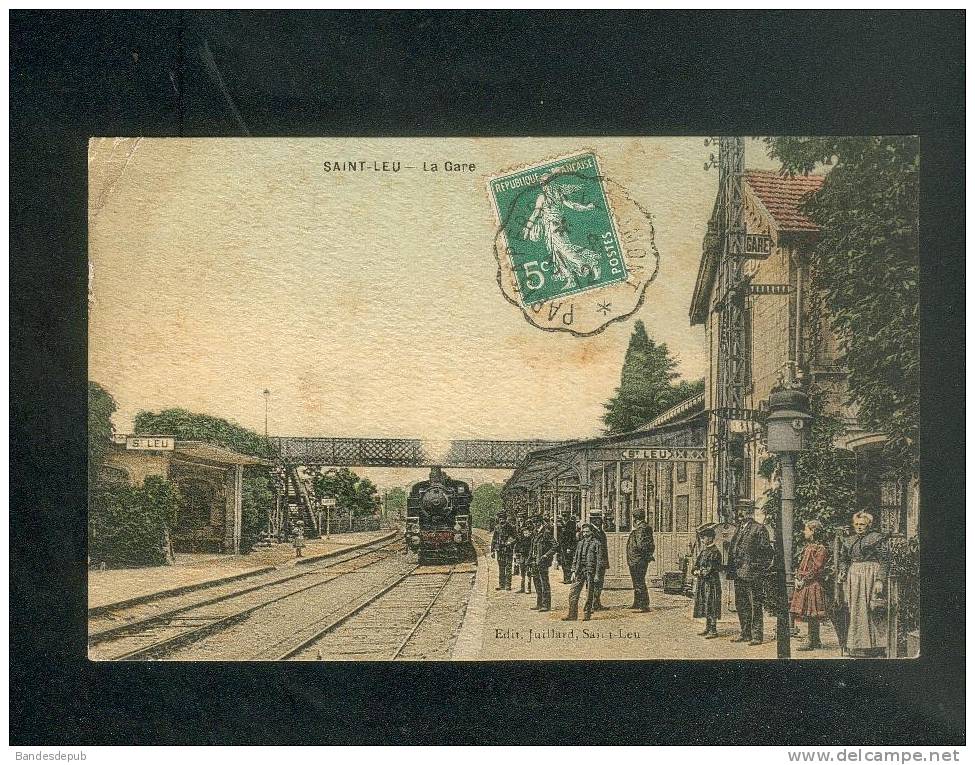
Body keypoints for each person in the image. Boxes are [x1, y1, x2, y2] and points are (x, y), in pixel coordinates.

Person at [838, 511, 889, 657]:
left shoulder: (876, 538)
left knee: (873, 608)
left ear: (869, 525)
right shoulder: (849, 540)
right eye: (857, 524)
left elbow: (885, 560)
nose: (859, 527)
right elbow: (844, 559)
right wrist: (843, 571)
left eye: (862, 524)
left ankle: (877, 646)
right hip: (854, 576)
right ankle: (858, 646)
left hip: (871, 574)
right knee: (856, 609)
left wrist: (880, 579)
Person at [727, 504, 773, 646]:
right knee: (741, 605)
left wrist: (757, 567)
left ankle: (757, 635)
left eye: (744, 510)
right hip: (738, 573)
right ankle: (745, 633)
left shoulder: (759, 529)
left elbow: (768, 553)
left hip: (753, 575)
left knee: (755, 605)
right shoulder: (739, 528)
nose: (740, 513)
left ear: (750, 512)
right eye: (739, 510)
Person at [790, 520, 831, 651]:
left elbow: (817, 568)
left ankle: (811, 639)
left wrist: (804, 580)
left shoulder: (821, 549)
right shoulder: (807, 547)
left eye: (806, 529)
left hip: (812, 583)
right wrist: (797, 577)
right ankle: (815, 640)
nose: (804, 532)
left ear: (813, 531)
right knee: (809, 613)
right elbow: (801, 564)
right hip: (804, 582)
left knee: (812, 613)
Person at [563, 524, 604, 621]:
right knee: (573, 592)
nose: (585, 534)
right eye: (583, 532)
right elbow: (575, 558)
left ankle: (587, 614)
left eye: (587, 532)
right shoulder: (580, 543)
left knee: (589, 593)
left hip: (591, 571)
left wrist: (597, 575)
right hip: (579, 570)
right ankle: (572, 615)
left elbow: (599, 561)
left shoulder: (597, 543)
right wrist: (573, 570)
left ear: (591, 532)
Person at [692, 526, 722, 638]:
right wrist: (696, 570)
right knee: (705, 603)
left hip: (712, 583)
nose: (702, 540)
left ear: (710, 538)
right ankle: (708, 628)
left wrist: (699, 572)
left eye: (704, 538)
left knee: (712, 604)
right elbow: (695, 565)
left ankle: (713, 630)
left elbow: (710, 569)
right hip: (704, 583)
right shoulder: (704, 551)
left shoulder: (715, 552)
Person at [626, 515, 655, 612]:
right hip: (636, 560)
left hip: (638, 560)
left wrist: (641, 556)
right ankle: (637, 603)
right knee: (637, 582)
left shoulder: (641, 529)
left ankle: (643, 605)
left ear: (635, 519)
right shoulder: (642, 528)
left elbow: (641, 545)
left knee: (639, 582)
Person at [529, 515, 557, 612]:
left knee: (544, 583)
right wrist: (529, 559)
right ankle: (539, 603)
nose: (535, 524)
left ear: (540, 522)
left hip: (543, 561)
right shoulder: (535, 532)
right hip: (534, 561)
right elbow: (532, 547)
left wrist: (546, 555)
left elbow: (555, 545)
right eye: (534, 523)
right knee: (536, 582)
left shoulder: (546, 532)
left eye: (537, 522)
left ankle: (546, 605)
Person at [490, 513, 517, 590]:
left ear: (506, 519)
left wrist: (510, 542)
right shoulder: (497, 527)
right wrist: (492, 551)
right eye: (500, 519)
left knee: (508, 567)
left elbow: (516, 537)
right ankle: (501, 585)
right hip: (500, 550)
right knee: (501, 568)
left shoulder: (511, 527)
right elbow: (494, 539)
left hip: (508, 550)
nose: (502, 520)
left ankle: (508, 585)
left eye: (503, 519)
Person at [589, 514, 610, 610]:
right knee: (594, 583)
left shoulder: (600, 532)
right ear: (594, 520)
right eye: (598, 519)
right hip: (594, 562)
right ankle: (593, 604)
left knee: (599, 583)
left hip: (601, 562)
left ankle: (596, 603)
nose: (601, 521)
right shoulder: (591, 532)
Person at [556, 511, 578, 584]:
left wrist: (570, 547)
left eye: (566, 516)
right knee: (563, 562)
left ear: (568, 516)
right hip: (563, 546)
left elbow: (572, 537)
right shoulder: (563, 524)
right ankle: (565, 578)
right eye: (563, 516)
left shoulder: (571, 524)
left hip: (568, 547)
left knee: (568, 562)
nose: (564, 518)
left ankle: (569, 578)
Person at [513, 525, 534, 594]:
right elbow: (517, 549)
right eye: (524, 533)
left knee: (528, 573)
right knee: (522, 574)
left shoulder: (531, 540)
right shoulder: (521, 540)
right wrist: (517, 558)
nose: (526, 535)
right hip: (522, 558)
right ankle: (522, 588)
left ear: (529, 533)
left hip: (529, 558)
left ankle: (528, 588)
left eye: (527, 533)